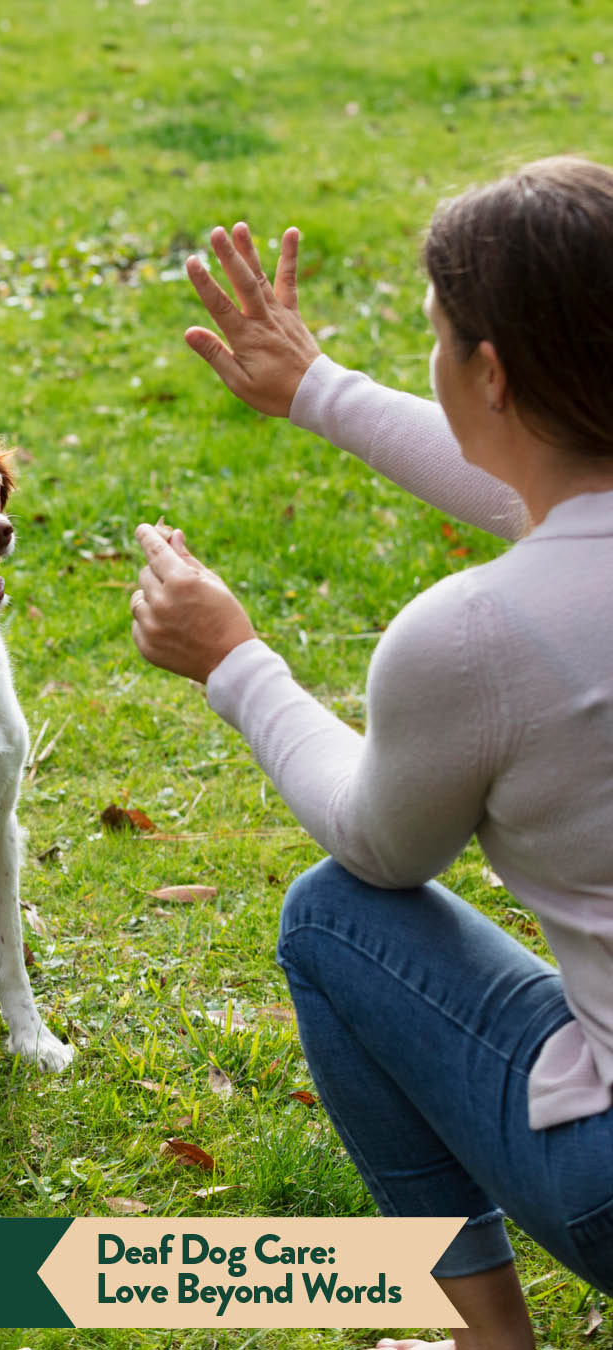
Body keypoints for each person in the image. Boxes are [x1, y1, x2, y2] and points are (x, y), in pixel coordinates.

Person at [129, 156, 613, 1350]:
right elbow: (560, 502)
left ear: (489, 373)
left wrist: (234, 663)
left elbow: (379, 848)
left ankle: (484, 1338)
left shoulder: (478, 636)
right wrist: (319, 390)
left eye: (437, 337)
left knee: (334, 917)